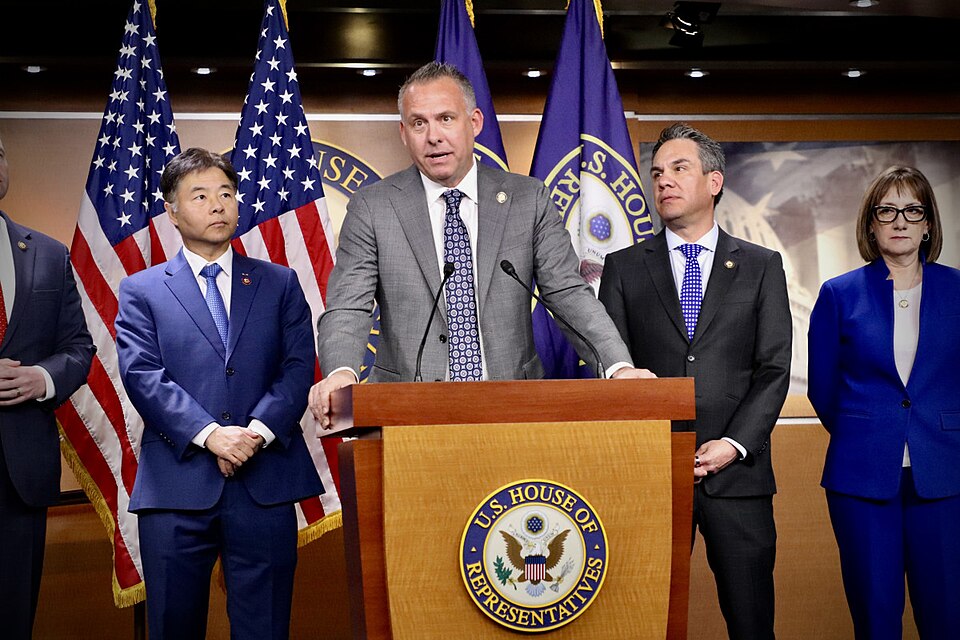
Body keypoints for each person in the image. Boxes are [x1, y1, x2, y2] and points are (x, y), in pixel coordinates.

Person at [309, 61, 651, 426]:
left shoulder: (528, 200)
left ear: (474, 123)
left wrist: (617, 366)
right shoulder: (372, 207)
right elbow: (349, 307)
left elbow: (568, 293)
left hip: (511, 410)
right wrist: (342, 372)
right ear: (403, 133)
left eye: (445, 119)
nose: (433, 136)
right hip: (407, 413)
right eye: (418, 123)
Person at [115, 148, 323, 640]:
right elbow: (142, 374)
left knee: (265, 626)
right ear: (171, 210)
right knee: (173, 626)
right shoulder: (142, 289)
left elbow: (297, 369)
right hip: (176, 483)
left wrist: (252, 434)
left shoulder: (279, 282)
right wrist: (211, 436)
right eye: (201, 195)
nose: (218, 206)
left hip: (265, 479)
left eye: (226, 194)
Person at [598, 122, 792, 639]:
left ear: (714, 181)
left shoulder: (760, 266)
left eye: (679, 168)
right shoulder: (622, 268)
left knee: (751, 624)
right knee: (644, 621)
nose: (664, 181)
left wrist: (733, 444)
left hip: (738, 477)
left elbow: (774, 369)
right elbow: (610, 367)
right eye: (657, 172)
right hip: (651, 475)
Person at [808, 166, 960, 639]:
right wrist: (870, 431)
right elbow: (823, 388)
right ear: (871, 224)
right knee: (876, 619)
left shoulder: (958, 289)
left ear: (928, 223)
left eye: (912, 210)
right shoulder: (839, 294)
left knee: (948, 617)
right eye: (887, 210)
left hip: (946, 474)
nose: (900, 221)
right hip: (862, 477)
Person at [0, 132, 95, 639]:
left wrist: (41, 378)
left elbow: (79, 346)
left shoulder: (48, 254)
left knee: (15, 620)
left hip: (20, 477)